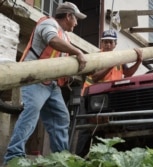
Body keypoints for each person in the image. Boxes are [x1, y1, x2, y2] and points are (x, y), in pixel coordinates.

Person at [3, 1, 87, 165]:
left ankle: (62, 159)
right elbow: (52, 41)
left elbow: (59, 59)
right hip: (34, 79)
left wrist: (67, 75)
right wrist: (78, 51)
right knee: (30, 117)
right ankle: (12, 159)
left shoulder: (65, 36)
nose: (76, 23)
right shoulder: (49, 23)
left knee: (61, 119)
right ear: (68, 16)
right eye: (75, 19)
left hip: (51, 85)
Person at [75, 29, 142, 157]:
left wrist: (138, 61)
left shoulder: (119, 59)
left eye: (110, 42)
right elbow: (95, 77)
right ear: (101, 43)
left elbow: (127, 73)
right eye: (105, 42)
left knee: (108, 127)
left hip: (110, 97)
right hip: (91, 97)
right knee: (86, 128)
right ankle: (79, 157)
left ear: (115, 44)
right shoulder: (95, 57)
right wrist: (111, 65)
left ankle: (100, 156)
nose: (108, 45)